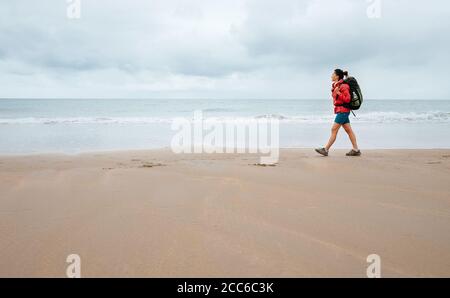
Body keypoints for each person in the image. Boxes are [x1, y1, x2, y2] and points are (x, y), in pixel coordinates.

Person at [315, 69, 361, 157]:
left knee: (333, 129)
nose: (331, 75)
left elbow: (347, 99)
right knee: (349, 130)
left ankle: (326, 149)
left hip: (343, 111)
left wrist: (338, 93)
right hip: (342, 111)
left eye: (333, 74)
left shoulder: (343, 86)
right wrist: (336, 91)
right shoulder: (337, 85)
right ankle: (356, 150)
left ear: (337, 76)